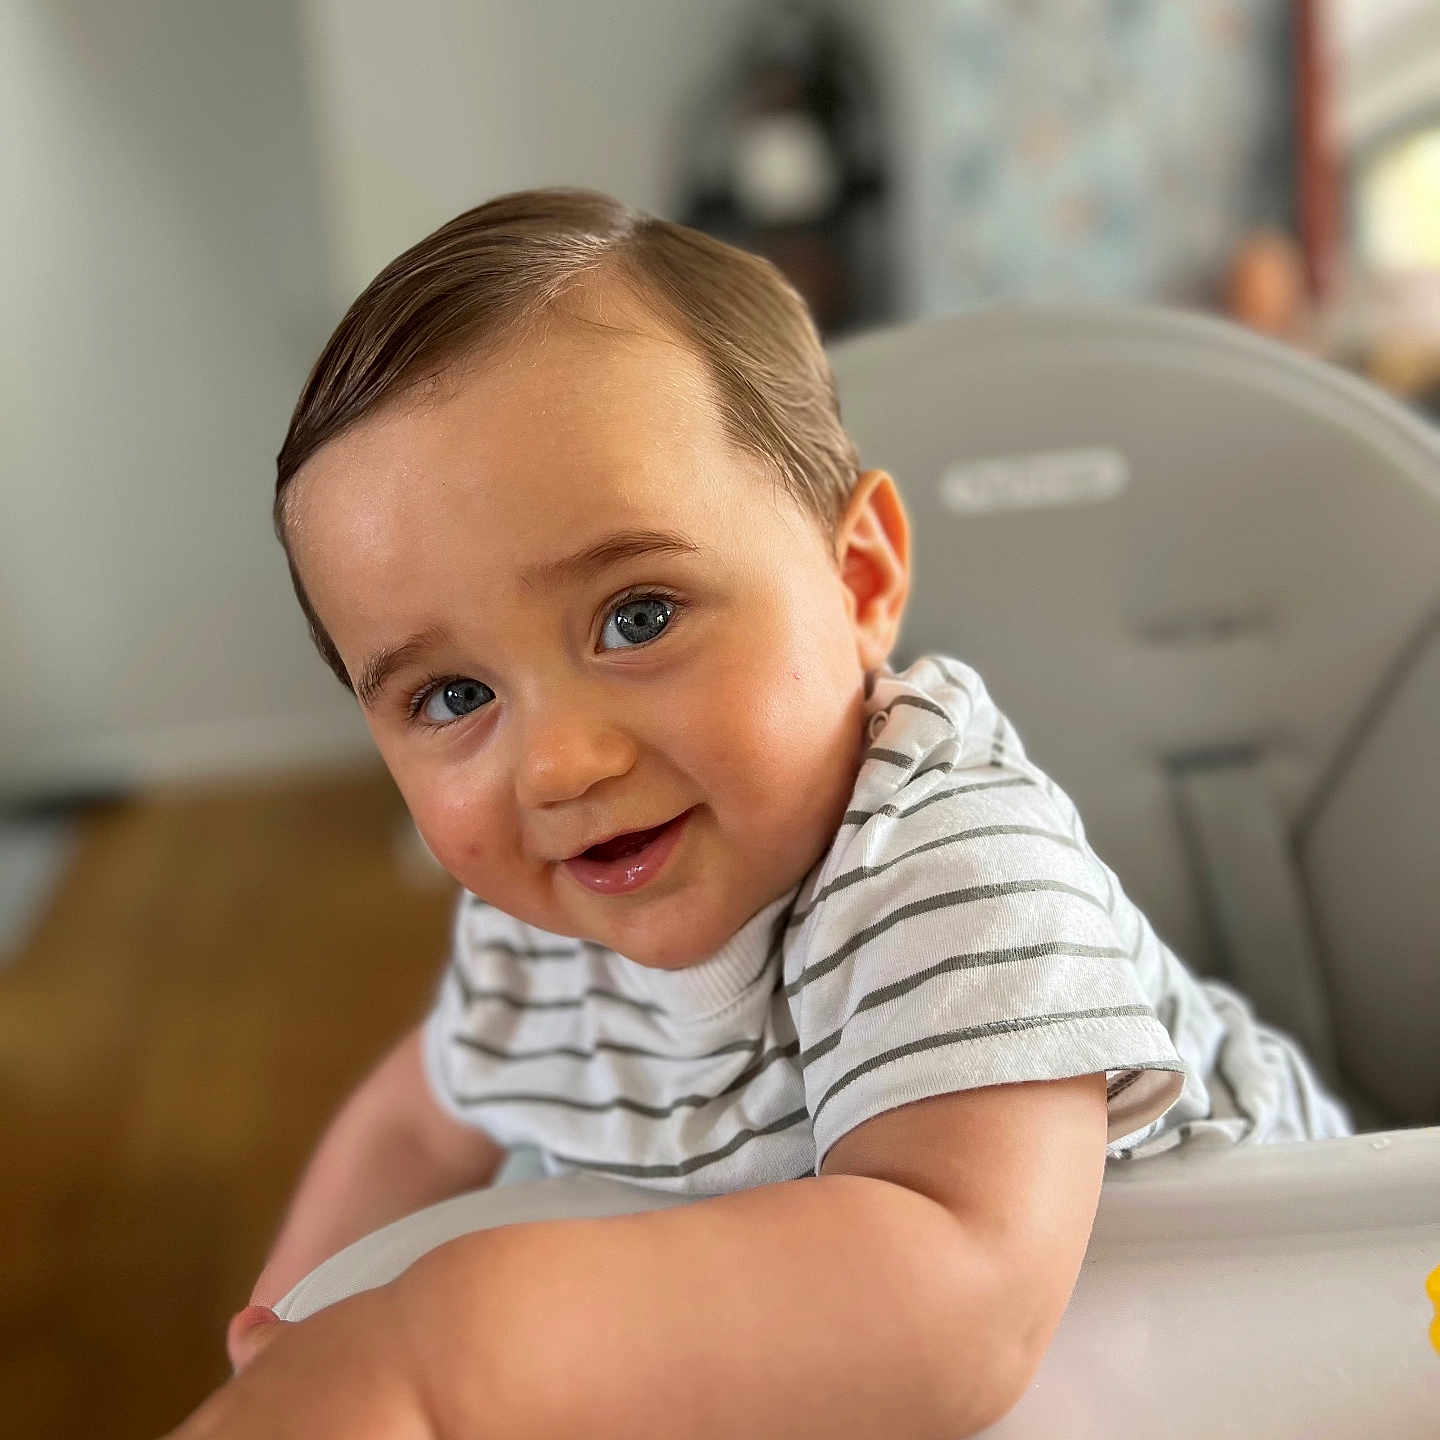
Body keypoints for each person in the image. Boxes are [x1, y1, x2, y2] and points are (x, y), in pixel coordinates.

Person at [171, 189, 1350, 1439]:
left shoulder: (948, 863)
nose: (559, 766)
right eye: (453, 695)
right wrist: (301, 1328)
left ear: (861, 582)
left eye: (638, 617)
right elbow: (422, 1118)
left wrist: (440, 1348)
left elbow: (959, 1293)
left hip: (1310, 1344)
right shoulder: (546, 923)